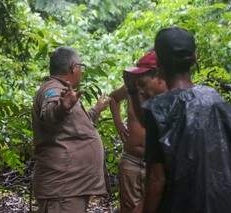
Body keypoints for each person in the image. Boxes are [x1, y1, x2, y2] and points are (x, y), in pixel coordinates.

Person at [141, 27, 231, 213]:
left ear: (158, 62)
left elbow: (156, 180)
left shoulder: (157, 109)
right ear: (195, 58)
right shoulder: (218, 102)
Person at [31, 46, 109, 213]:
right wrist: (62, 107)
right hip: (63, 187)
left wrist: (96, 109)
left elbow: (75, 127)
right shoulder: (52, 89)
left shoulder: (64, 91)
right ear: (74, 67)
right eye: (81, 66)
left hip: (70, 186)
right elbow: (49, 114)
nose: (81, 71)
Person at [110, 51, 166, 213]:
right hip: (132, 159)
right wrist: (119, 123)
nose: (139, 82)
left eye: (143, 77)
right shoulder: (132, 89)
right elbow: (113, 99)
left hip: (156, 165)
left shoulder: (170, 96)